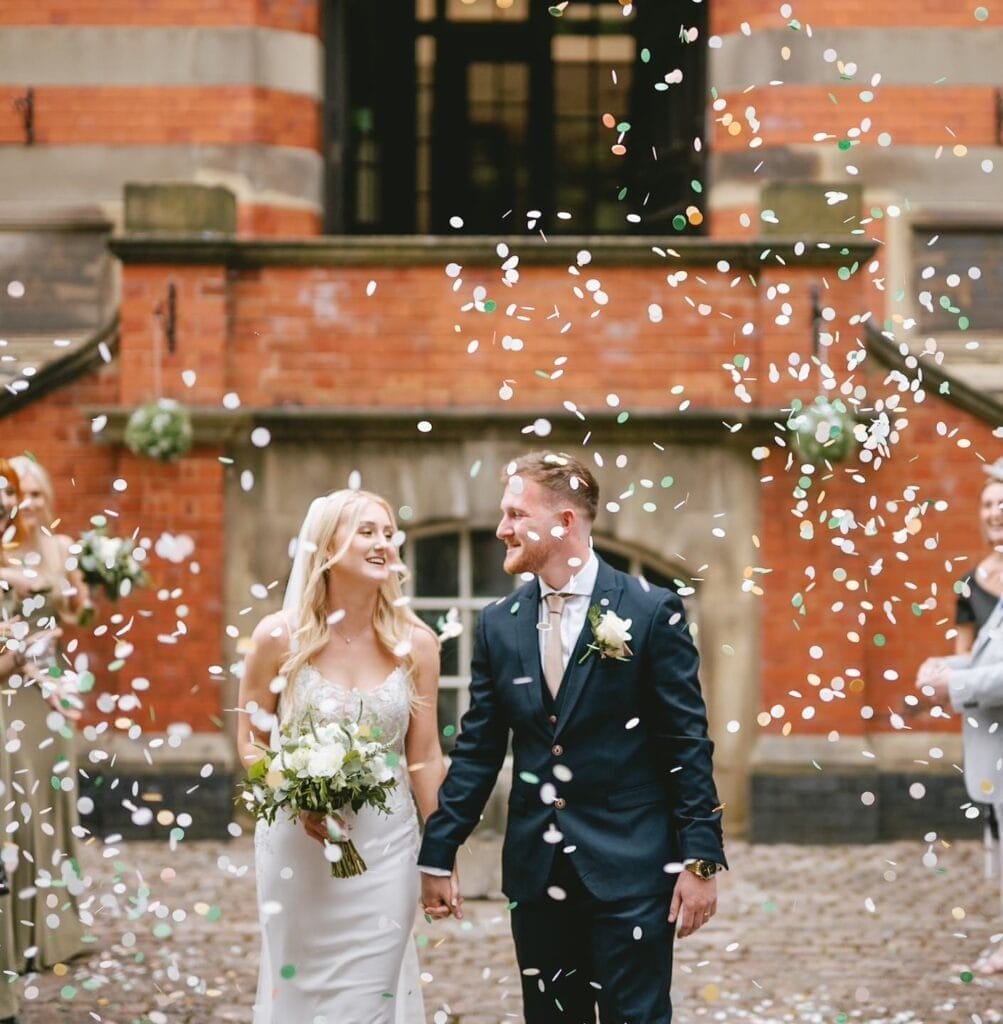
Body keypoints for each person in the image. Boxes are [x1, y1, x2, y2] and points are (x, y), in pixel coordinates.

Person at [419, 451, 726, 1024]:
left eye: (515, 514)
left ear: (563, 523)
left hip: (633, 864)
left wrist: (701, 858)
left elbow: (686, 742)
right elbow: (480, 748)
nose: (501, 528)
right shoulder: (498, 624)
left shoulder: (651, 611)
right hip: (538, 872)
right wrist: (438, 850)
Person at [238, 488, 452, 1024]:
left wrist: (440, 853)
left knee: (370, 995)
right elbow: (250, 743)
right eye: (366, 531)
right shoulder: (278, 638)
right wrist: (291, 790)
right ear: (327, 543)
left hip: (385, 849)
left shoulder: (417, 644)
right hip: (298, 847)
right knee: (300, 991)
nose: (382, 542)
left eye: (387, 532)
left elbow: (424, 754)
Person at [0, 455, 89, 973]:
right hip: (12, 685)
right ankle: (22, 925)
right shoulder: (3, 545)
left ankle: (55, 918)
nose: (27, 503)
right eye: (20, 493)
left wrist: (80, 589)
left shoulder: (58, 547)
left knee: (53, 796)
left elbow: (76, 615)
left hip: (48, 684)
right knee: (18, 798)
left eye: (36, 494)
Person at [917, 463, 1003, 974]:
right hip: (990, 733)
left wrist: (958, 683)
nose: (995, 514)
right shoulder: (971, 581)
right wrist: (940, 670)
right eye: (989, 505)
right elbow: (971, 658)